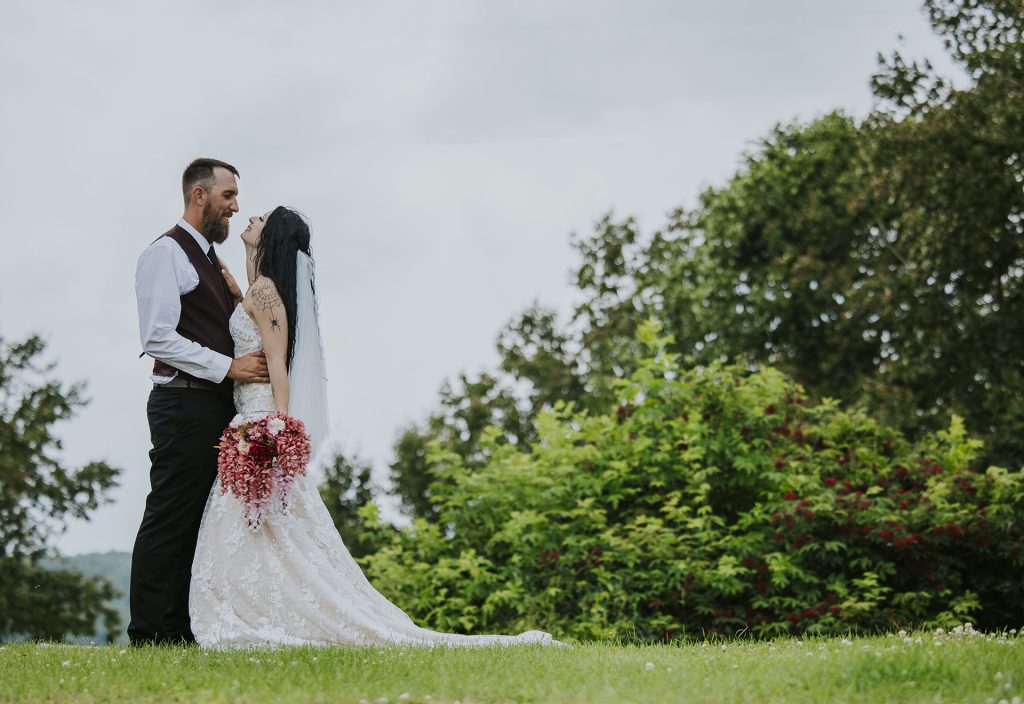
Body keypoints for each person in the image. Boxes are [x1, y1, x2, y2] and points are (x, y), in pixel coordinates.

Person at [189, 206, 559, 648]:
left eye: (262, 219)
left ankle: (267, 612)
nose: (251, 217)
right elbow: (253, 319)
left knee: (268, 527)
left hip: (259, 422)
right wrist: (237, 289)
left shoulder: (266, 292)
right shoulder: (259, 289)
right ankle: (264, 606)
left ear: (272, 239)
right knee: (264, 530)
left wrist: (277, 430)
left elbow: (277, 363)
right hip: (246, 419)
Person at [129, 158, 269, 645]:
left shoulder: (209, 258)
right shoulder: (165, 253)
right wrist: (229, 368)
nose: (236, 205)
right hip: (183, 404)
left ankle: (178, 629)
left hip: (211, 407)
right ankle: (148, 632)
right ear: (199, 196)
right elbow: (158, 337)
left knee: (197, 521)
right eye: (228, 195)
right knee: (169, 515)